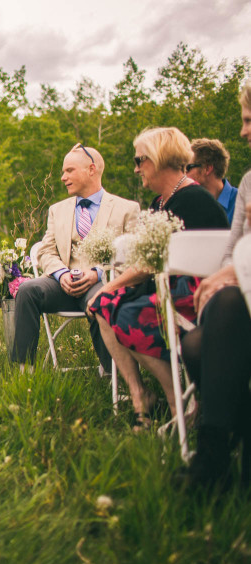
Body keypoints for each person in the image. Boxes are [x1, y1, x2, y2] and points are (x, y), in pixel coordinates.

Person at [89, 127, 229, 430]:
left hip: (194, 294)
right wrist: (111, 288)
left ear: (160, 158)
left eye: (140, 160)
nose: (136, 168)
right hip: (163, 287)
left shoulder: (194, 200)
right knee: (102, 306)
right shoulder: (160, 202)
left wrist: (112, 283)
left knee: (124, 312)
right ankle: (141, 395)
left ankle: (181, 403)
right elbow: (149, 262)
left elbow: (155, 263)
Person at [175, 80, 251, 488]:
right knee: (194, 341)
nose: (243, 131)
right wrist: (223, 276)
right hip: (243, 296)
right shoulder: (250, 184)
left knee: (217, 320)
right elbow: (231, 252)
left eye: (248, 120)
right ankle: (217, 454)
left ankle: (214, 455)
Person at [11, 144, 140, 372]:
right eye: (63, 171)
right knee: (27, 290)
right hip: (62, 286)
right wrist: (61, 275)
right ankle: (24, 374)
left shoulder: (127, 209)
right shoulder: (57, 210)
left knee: (100, 302)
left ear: (91, 169)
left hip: (101, 285)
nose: (63, 177)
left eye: (69, 170)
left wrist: (97, 273)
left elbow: (131, 254)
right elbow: (46, 251)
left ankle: (116, 378)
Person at [186, 138, 237, 223]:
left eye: (188, 168)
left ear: (207, 169)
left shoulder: (243, 203)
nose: (183, 174)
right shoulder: (187, 204)